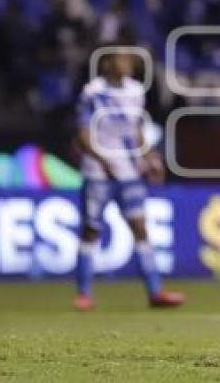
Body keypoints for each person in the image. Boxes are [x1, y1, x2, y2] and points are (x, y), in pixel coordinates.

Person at [73, 45, 184, 310]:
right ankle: (84, 293)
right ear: (107, 63)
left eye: (129, 58)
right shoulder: (93, 92)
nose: (127, 63)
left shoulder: (136, 91)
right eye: (121, 58)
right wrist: (103, 160)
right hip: (98, 172)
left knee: (140, 228)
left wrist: (151, 158)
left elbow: (136, 132)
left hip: (130, 172)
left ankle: (155, 292)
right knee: (91, 230)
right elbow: (82, 133)